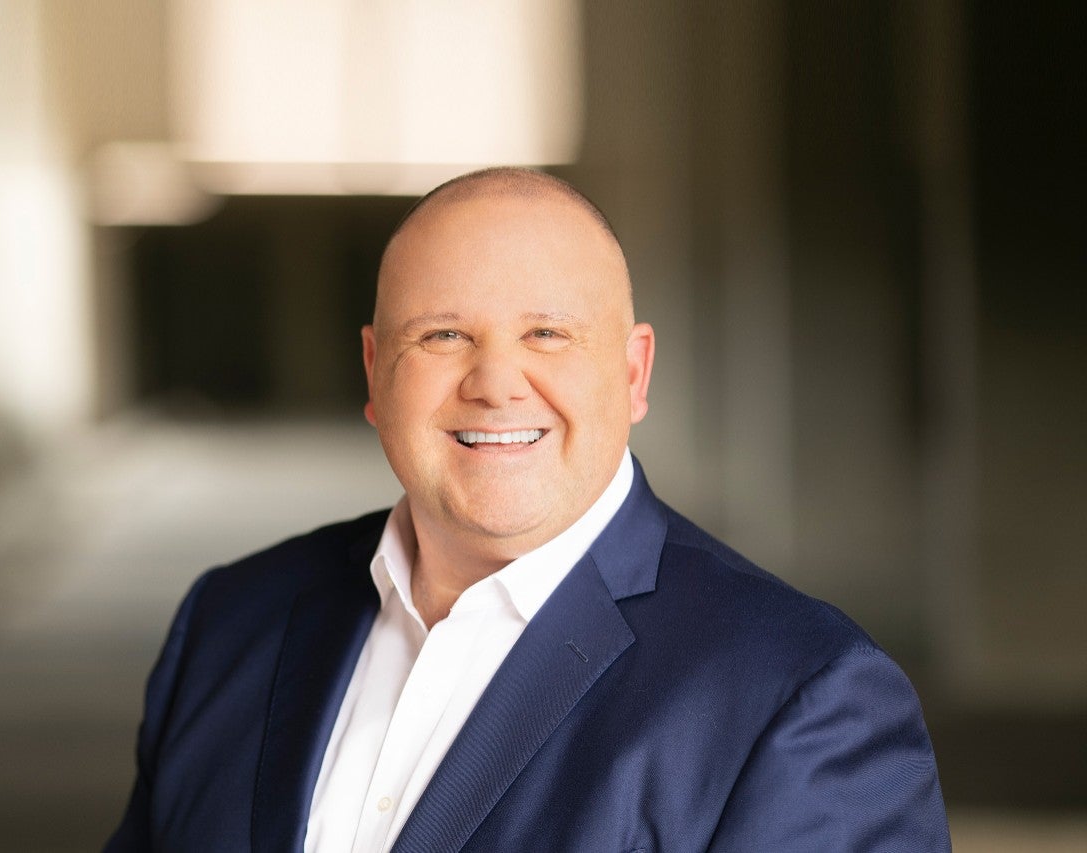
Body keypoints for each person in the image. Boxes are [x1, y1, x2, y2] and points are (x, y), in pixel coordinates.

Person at [105, 168, 950, 851]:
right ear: (374, 371)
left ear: (633, 373)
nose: (496, 383)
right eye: (442, 335)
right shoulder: (230, 621)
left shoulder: (800, 695)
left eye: (548, 333)